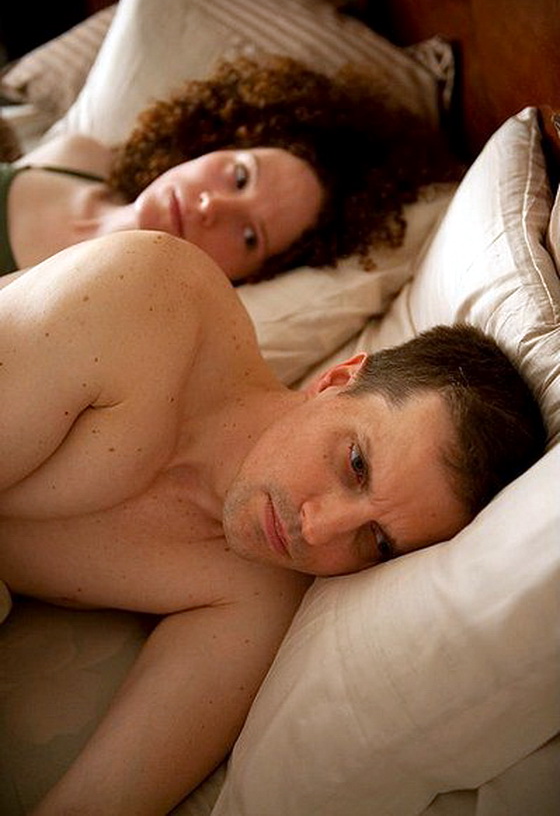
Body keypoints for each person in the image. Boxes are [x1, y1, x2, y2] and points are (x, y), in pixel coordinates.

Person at [0, 230, 546, 815]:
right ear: (337, 380)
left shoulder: (261, 589)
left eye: (378, 541)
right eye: (355, 465)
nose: (319, 530)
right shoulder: (150, 303)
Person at [0, 54, 457, 284]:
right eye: (240, 177)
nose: (212, 207)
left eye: (249, 237)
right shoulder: (77, 156)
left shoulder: (110, 324)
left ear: (244, 279)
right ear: (207, 144)